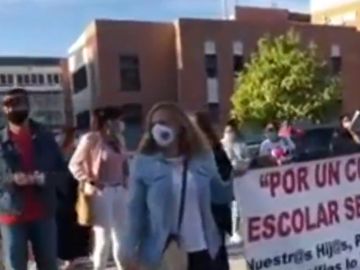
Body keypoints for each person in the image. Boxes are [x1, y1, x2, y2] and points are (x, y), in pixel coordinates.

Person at [121, 102, 226, 270]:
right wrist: (127, 251)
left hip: (203, 248)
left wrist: (242, 176)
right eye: (154, 124)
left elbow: (221, 195)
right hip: (163, 253)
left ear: (181, 126)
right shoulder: (143, 164)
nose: (158, 128)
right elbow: (135, 212)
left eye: (164, 122)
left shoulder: (202, 159)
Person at [0, 87, 66, 270]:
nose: (12, 108)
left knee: (48, 264)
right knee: (15, 265)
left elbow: (62, 174)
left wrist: (43, 179)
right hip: (11, 214)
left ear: (28, 105)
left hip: (43, 213)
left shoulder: (46, 139)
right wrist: (12, 179)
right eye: (7, 104)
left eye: (17, 102)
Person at [68, 106, 129, 270]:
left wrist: (126, 182)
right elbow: (74, 164)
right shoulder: (91, 139)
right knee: (103, 236)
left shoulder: (118, 140)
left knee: (121, 236)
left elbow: (124, 163)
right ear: (107, 122)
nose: (120, 124)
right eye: (117, 120)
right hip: (101, 192)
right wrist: (90, 180)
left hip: (119, 190)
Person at [192, 112, 233, 270]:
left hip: (212, 210)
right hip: (207, 212)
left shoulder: (212, 152)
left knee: (213, 255)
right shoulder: (211, 150)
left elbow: (224, 178)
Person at [56, 127, 91, 270]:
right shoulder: (67, 160)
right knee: (70, 231)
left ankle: (71, 260)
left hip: (69, 204)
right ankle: (71, 260)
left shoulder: (62, 158)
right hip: (70, 204)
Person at [221, 119, 250, 245]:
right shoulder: (221, 145)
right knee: (229, 207)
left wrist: (241, 164)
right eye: (228, 131)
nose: (230, 133)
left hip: (240, 179)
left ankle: (236, 231)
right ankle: (231, 231)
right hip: (226, 180)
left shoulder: (241, 144)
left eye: (232, 131)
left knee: (237, 206)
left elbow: (247, 159)